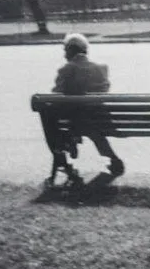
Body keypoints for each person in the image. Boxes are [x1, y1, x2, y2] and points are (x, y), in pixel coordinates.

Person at [53, 32, 125, 179]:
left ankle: (70, 142)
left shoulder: (66, 69)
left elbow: (57, 93)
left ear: (71, 51)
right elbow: (105, 89)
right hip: (101, 119)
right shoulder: (101, 68)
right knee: (94, 130)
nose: (64, 54)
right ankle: (113, 158)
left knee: (56, 119)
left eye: (65, 50)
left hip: (75, 120)